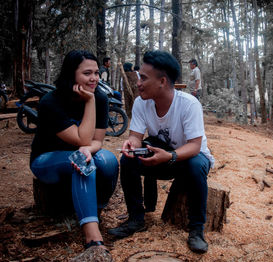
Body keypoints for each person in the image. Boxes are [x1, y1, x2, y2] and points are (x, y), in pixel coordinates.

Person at [108, 50, 214, 254]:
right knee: (128, 159)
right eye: (139, 77)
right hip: (161, 157)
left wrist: (171, 156)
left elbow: (194, 146)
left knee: (196, 164)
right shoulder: (141, 102)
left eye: (144, 78)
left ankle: (196, 229)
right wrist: (131, 143)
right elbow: (136, 135)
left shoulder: (189, 104)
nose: (138, 83)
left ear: (162, 81)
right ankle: (136, 219)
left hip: (188, 160)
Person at [30, 50, 119, 258]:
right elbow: (82, 140)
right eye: (87, 73)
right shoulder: (51, 102)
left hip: (81, 154)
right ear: (72, 75)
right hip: (46, 160)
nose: (94, 78)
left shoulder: (101, 98)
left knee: (109, 161)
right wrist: (89, 102)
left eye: (96, 73)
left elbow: (95, 142)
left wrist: (88, 150)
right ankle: (92, 237)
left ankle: (95, 208)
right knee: (81, 161)